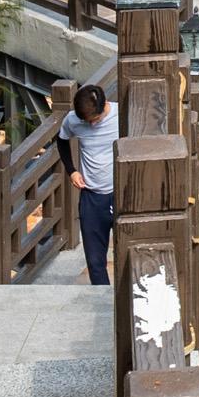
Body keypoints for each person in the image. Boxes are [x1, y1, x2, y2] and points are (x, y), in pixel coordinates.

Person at [55, 81, 116, 285]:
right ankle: (104, 300)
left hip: (121, 191)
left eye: (96, 119)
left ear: (105, 104)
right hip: (91, 196)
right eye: (87, 121)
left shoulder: (121, 115)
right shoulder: (73, 120)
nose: (91, 124)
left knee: (130, 249)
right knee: (95, 259)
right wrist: (71, 171)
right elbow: (62, 141)